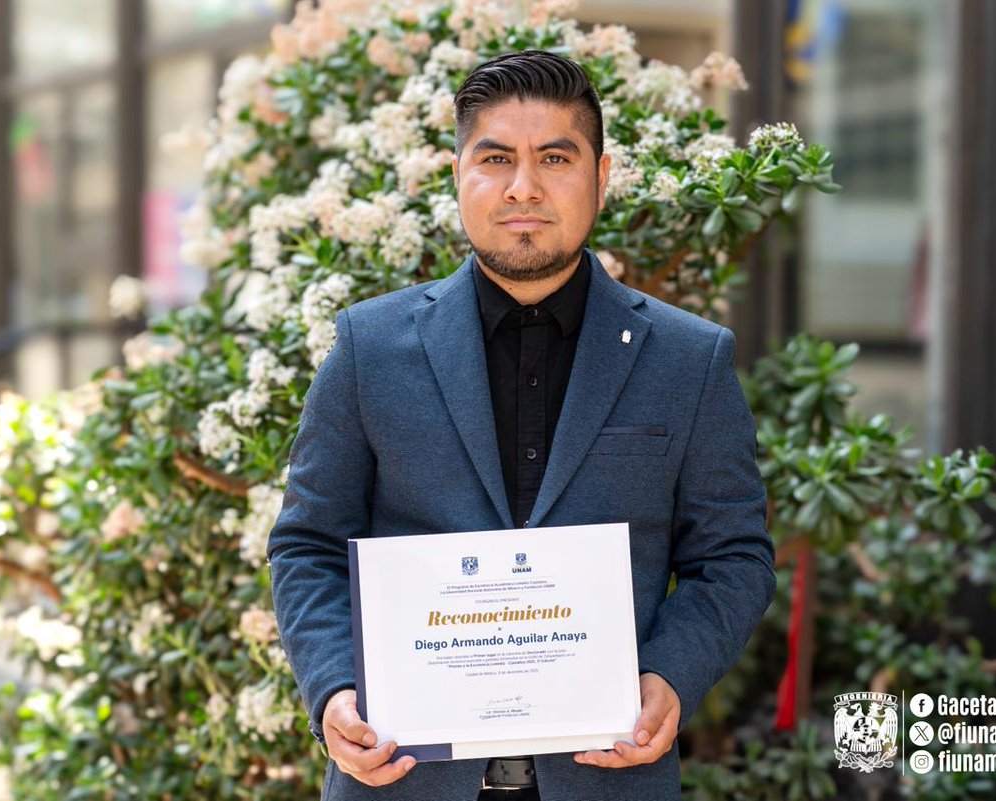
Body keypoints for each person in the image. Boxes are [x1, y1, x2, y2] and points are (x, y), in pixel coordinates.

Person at [267, 50, 775, 801]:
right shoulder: (369, 350)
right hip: (403, 778)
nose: (523, 186)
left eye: (556, 157)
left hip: (610, 777)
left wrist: (670, 675)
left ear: (601, 178)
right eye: (496, 157)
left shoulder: (689, 361)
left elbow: (733, 557)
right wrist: (335, 689)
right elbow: (307, 544)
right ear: (457, 175)